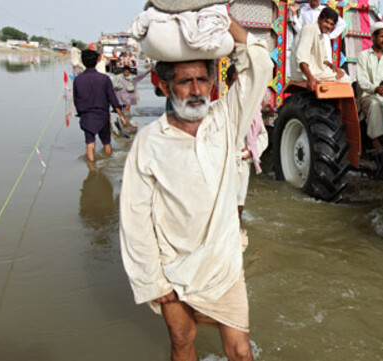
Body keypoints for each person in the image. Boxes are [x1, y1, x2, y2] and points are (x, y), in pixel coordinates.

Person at [119, 18, 272, 361]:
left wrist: (224, 19)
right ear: (163, 86)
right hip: (173, 270)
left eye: (203, 79)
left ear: (213, 82)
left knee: (241, 351)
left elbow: (260, 64)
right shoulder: (149, 142)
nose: (196, 90)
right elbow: (135, 218)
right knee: (183, 341)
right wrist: (154, 281)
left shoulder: (226, 119)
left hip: (224, 264)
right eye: (185, 81)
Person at [225, 65, 269, 221]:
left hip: (244, 162)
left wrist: (251, 151)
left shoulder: (253, 109)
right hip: (225, 163)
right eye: (236, 84)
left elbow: (263, 135)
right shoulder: (221, 109)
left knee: (238, 206)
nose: (241, 89)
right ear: (227, 83)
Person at [73, 49, 126, 169]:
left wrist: (81, 114)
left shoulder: (77, 80)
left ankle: (92, 169)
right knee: (107, 143)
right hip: (102, 115)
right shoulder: (104, 78)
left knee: (90, 143)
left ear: (82, 61)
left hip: (87, 116)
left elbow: (76, 100)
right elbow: (112, 98)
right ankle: (109, 165)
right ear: (97, 61)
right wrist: (121, 115)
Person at [291, 6, 351, 90]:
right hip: (306, 73)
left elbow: (323, 59)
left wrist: (334, 67)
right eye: (326, 22)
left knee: (341, 72)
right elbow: (301, 59)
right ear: (319, 19)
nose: (328, 26)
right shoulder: (310, 29)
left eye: (331, 24)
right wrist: (310, 78)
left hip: (314, 71)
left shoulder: (321, 34)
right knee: (345, 79)